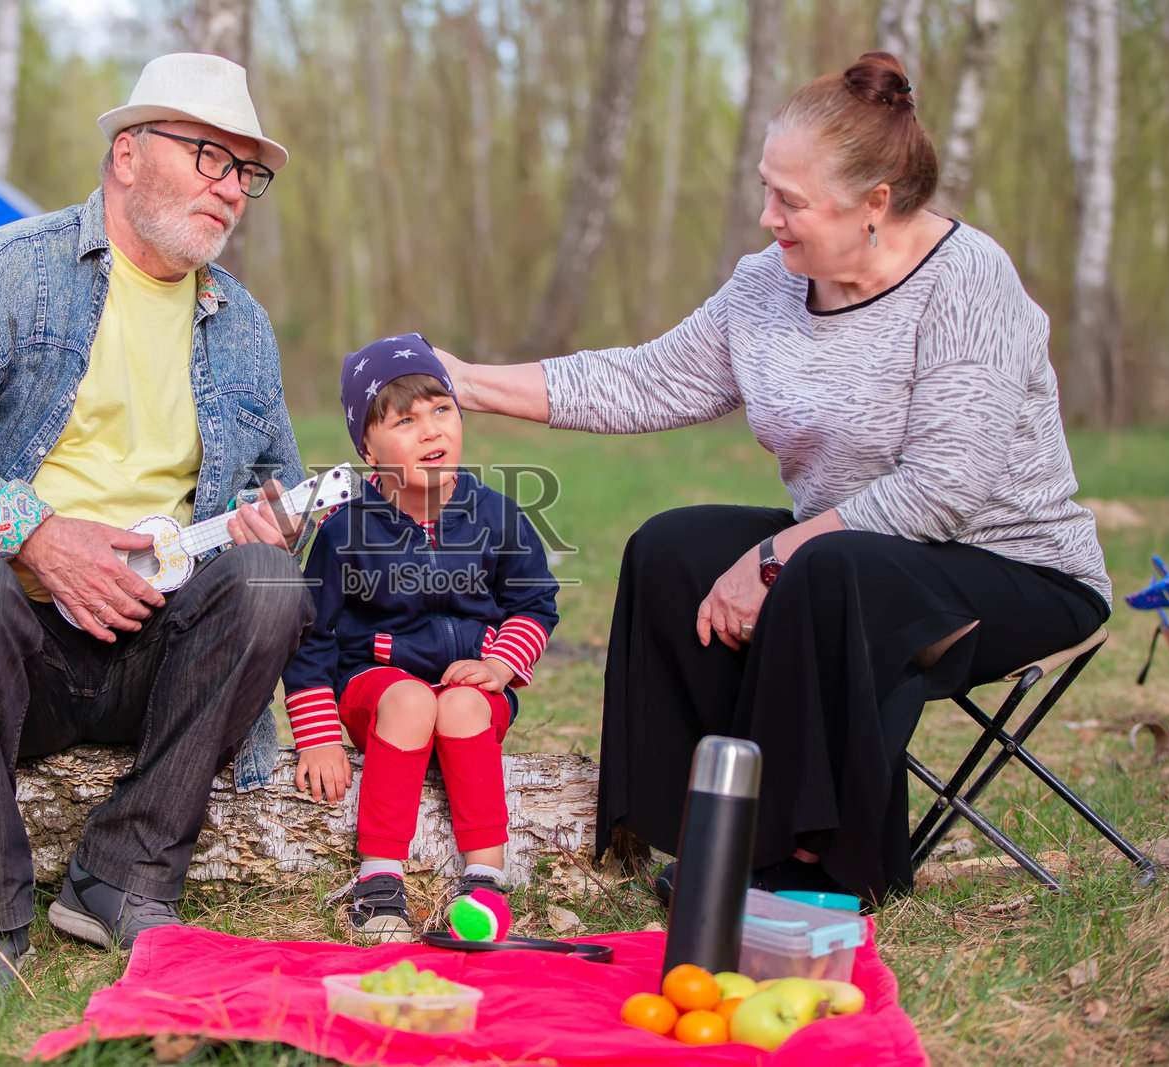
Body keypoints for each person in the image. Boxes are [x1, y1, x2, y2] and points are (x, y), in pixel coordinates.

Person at [435, 52, 1111, 906]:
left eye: (789, 200)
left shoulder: (969, 280)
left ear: (876, 203)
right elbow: (643, 380)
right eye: (767, 189)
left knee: (824, 570)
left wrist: (773, 558)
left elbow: (945, 488)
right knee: (672, 547)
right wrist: (464, 380)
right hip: (852, 561)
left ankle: (805, 864)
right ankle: (697, 828)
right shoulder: (767, 287)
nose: (767, 217)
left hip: (1012, 567)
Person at [0, 53, 315, 998]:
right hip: (8, 654)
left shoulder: (241, 323)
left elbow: (274, 491)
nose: (232, 190)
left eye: (245, 171)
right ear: (128, 154)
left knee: (270, 586)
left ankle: (123, 876)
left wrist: (271, 526)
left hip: (159, 654)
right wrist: (33, 531)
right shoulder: (0, 278)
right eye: (210, 156)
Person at [281, 334, 559, 942]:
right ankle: (379, 877)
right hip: (377, 689)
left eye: (442, 411)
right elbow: (312, 635)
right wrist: (319, 737)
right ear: (368, 448)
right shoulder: (345, 531)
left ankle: (486, 879)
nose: (431, 431)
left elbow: (535, 603)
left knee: (458, 703)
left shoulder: (498, 517)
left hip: (469, 686)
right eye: (404, 421)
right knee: (410, 699)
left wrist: (501, 667)